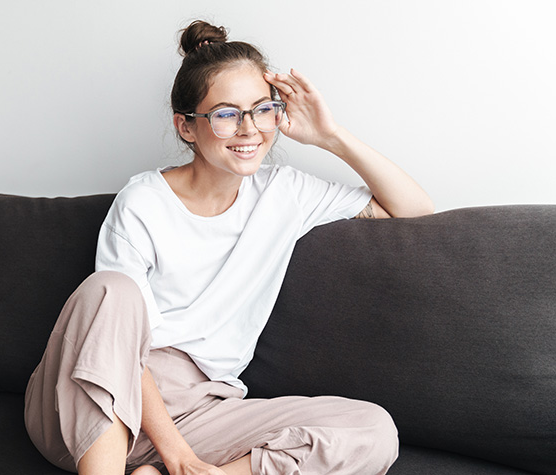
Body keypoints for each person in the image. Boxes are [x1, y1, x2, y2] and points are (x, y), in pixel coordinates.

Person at [25, 20, 435, 475]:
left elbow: (415, 211)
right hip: (93, 401)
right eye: (226, 114)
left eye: (262, 109)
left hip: (203, 409)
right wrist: (179, 455)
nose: (249, 130)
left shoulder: (286, 193)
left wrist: (329, 136)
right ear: (186, 127)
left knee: (371, 430)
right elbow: (116, 342)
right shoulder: (143, 201)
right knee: (111, 289)